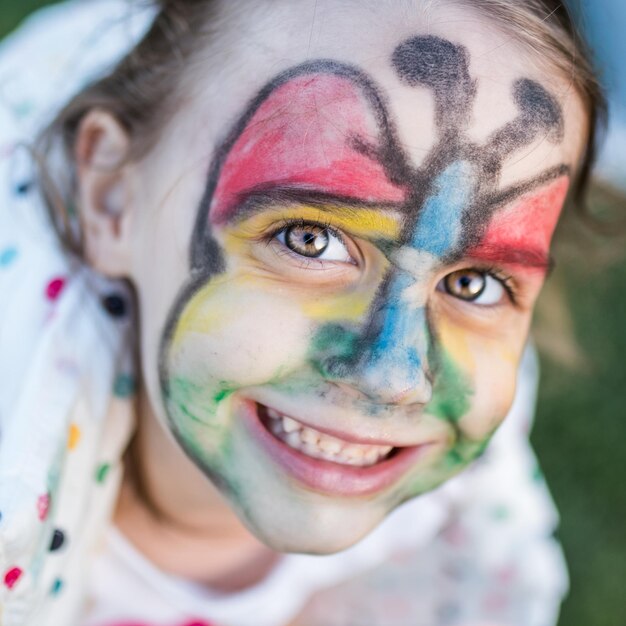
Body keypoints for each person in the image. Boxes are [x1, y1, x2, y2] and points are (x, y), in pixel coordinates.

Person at [0, 1, 605, 625]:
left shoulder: (451, 501)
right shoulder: (17, 460)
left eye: (474, 282)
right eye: (308, 239)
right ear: (113, 198)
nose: (392, 375)